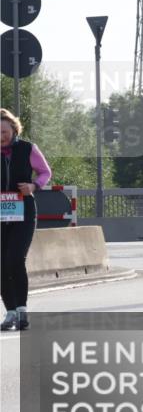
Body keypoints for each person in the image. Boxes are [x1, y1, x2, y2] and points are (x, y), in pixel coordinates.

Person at [1, 108, 52, 331]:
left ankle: (22, 310)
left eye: (4, 132)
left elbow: (45, 172)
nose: (1, 137)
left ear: (14, 129)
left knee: (15, 258)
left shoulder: (28, 149)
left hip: (24, 210)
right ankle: (10, 312)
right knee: (1, 263)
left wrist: (33, 185)